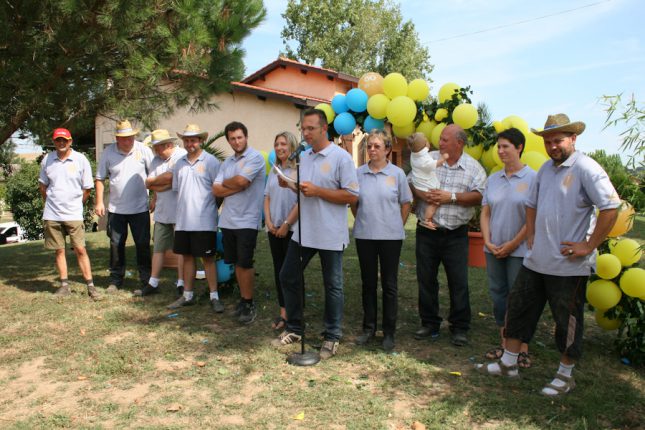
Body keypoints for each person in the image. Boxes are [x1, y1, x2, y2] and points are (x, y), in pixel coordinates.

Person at [476, 114, 620, 397]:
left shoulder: (586, 168)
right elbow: (531, 204)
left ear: (573, 139)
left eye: (558, 140)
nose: (553, 146)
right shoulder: (544, 171)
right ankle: (508, 363)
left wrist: (589, 245)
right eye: (549, 141)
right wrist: (530, 234)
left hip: (569, 266)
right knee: (517, 308)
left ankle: (565, 376)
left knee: (567, 322)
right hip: (536, 260)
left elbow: (610, 207)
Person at [272, 108, 359, 360]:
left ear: (324, 128)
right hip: (304, 231)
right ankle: (296, 328)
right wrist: (289, 185)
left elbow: (351, 195)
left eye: (310, 128)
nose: (305, 133)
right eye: (303, 128)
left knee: (333, 286)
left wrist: (319, 191)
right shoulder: (305, 157)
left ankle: (332, 336)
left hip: (330, 233)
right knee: (288, 275)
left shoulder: (341, 158)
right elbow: (305, 193)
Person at [411, 124, 487, 346]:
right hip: (427, 232)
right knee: (426, 279)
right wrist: (425, 194)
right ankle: (429, 323)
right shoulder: (429, 158)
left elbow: (479, 196)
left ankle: (460, 327)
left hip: (456, 234)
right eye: (440, 138)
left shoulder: (474, 168)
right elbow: (411, 180)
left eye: (445, 140)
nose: (440, 142)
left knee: (458, 281)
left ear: (459, 143)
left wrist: (450, 197)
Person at [148, 124, 224, 312]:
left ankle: (214, 296)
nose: (190, 143)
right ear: (184, 142)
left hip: (204, 221)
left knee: (208, 259)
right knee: (187, 257)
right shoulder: (179, 164)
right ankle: (187, 295)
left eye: (193, 140)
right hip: (182, 222)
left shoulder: (211, 162)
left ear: (201, 141)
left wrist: (211, 210)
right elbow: (176, 190)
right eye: (187, 140)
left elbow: (219, 190)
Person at [351, 129, 412, 351]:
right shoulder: (358, 174)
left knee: (389, 284)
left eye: (377, 146)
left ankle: (389, 332)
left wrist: (397, 224)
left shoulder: (397, 174)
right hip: (365, 235)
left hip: (390, 238)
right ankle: (368, 328)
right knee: (368, 283)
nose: (372, 150)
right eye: (369, 146)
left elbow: (406, 203)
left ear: (387, 149)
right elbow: (353, 202)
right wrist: (364, 220)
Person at [480, 128, 536, 367]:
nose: (500, 151)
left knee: (519, 298)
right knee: (498, 296)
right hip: (493, 249)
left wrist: (513, 244)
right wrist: (487, 241)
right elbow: (485, 212)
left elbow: (532, 218)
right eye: (499, 147)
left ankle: (522, 348)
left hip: (520, 251)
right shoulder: (493, 179)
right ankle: (505, 345)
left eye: (506, 147)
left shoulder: (533, 178)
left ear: (519, 147)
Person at [212, 121, 266, 324]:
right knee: (236, 263)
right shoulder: (226, 163)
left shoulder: (255, 158)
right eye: (232, 138)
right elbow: (216, 189)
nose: (236, 141)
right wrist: (234, 184)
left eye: (240, 137)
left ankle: (249, 302)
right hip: (228, 220)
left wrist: (232, 183)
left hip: (247, 220)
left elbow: (243, 182)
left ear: (246, 137)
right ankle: (243, 300)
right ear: (228, 140)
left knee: (245, 262)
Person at [38, 128, 98, 300]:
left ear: (70, 141)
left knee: (80, 249)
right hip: (52, 214)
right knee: (59, 250)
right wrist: (50, 203)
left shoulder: (80, 159)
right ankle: (64, 285)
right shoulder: (47, 160)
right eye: (58, 140)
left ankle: (91, 286)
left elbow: (87, 188)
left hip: (73, 214)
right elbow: (43, 186)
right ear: (54, 142)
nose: (61, 143)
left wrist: (77, 205)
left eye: (64, 140)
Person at [95, 120, 153, 292]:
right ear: (117, 138)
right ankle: (115, 280)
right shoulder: (108, 152)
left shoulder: (144, 150)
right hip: (116, 209)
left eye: (130, 137)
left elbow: (154, 175)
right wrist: (99, 202)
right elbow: (99, 178)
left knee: (142, 244)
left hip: (140, 208)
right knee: (116, 245)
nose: (127, 141)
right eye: (123, 138)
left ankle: (146, 278)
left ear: (134, 136)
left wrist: (154, 198)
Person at [134, 129, 187, 297]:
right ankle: (153, 282)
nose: (155, 151)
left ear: (169, 145)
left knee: (180, 249)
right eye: (155, 147)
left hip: (179, 211)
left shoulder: (181, 155)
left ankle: (181, 283)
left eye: (158, 147)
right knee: (158, 247)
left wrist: (160, 182)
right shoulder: (156, 160)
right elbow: (149, 183)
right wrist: (159, 186)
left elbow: (173, 179)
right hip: (162, 211)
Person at [264, 131, 299, 331]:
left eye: (283, 144)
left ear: (292, 146)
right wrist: (269, 222)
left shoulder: (298, 170)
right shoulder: (274, 170)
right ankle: (284, 312)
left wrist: (286, 224)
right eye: (276, 144)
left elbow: (300, 201)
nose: (279, 148)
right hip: (274, 228)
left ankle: (295, 314)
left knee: (291, 274)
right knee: (279, 271)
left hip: (292, 230)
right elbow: (266, 196)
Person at [407, 132, 449, 229]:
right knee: (435, 202)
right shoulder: (423, 160)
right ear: (423, 145)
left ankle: (417, 207)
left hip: (418, 183)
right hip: (424, 187)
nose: (426, 139)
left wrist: (425, 145)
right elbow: (435, 164)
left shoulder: (414, 153)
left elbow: (423, 149)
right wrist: (443, 158)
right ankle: (427, 220)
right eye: (425, 139)